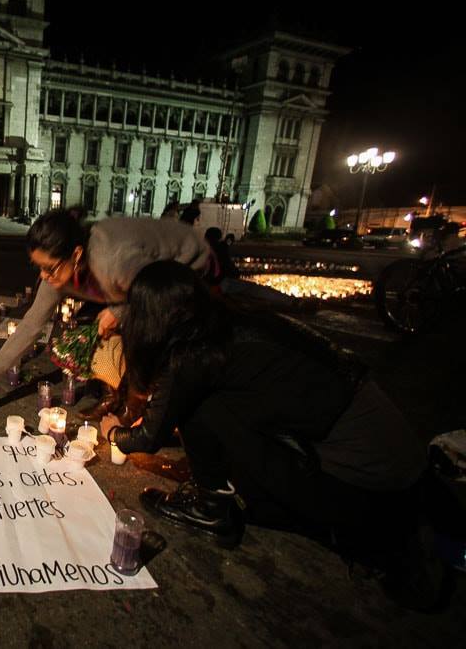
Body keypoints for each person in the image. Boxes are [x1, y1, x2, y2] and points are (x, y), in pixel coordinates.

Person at [100, 260, 449, 609]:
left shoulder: (194, 354)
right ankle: (220, 497)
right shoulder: (226, 322)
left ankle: (211, 506)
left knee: (201, 407)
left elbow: (149, 437)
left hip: (364, 476)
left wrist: (115, 433)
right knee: (210, 406)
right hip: (396, 454)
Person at [0, 210, 211, 409]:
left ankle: (148, 409)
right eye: (38, 268)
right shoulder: (59, 271)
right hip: (132, 283)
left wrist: (119, 311)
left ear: (77, 254)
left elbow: (157, 290)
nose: (43, 276)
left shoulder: (112, 261)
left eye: (48, 268)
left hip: (188, 264)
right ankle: (116, 393)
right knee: (93, 331)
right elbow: (32, 324)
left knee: (147, 337)